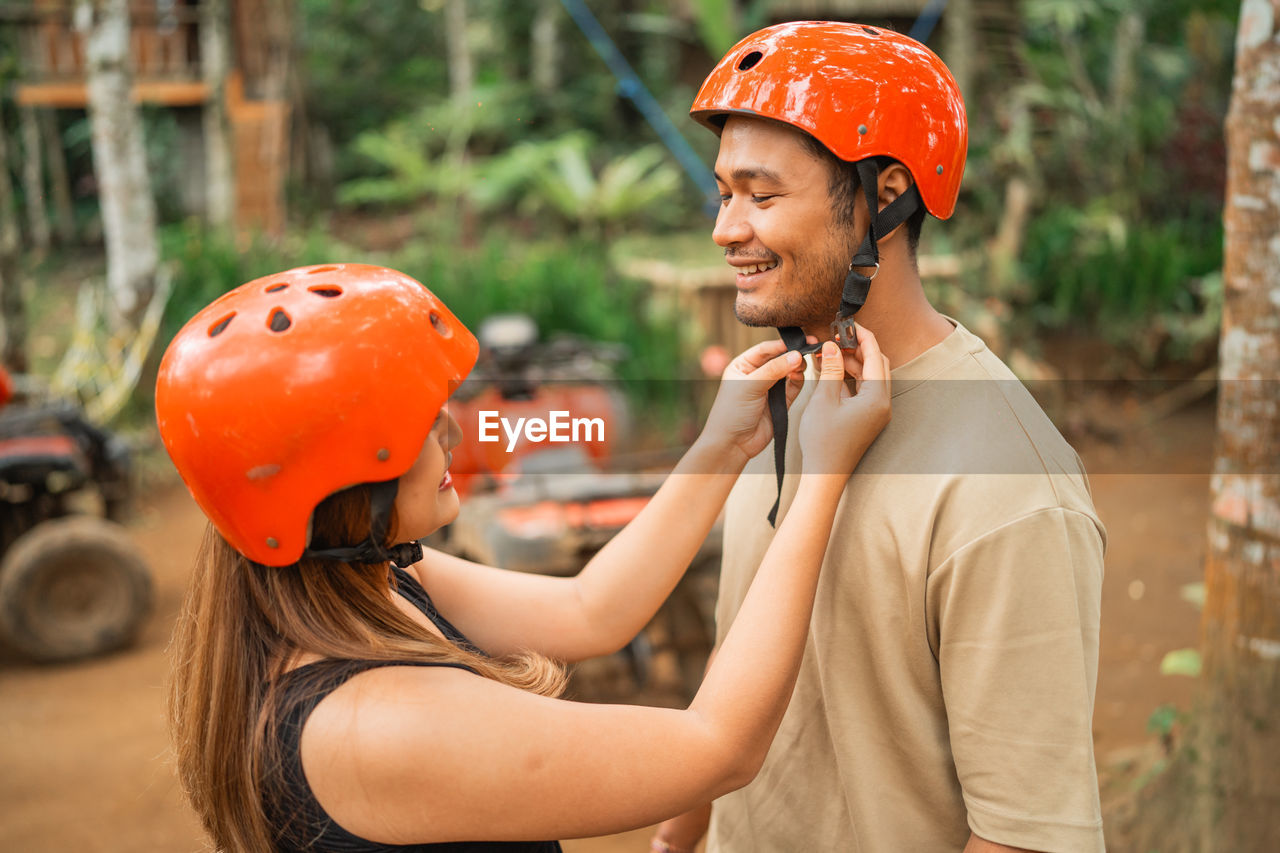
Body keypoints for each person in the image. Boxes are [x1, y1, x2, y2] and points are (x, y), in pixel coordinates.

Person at [157, 262, 891, 852]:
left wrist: (722, 444)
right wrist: (822, 480)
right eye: (417, 418)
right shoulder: (370, 727)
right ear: (339, 479)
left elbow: (590, 608)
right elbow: (720, 747)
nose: (452, 424)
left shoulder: (366, 584)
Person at [649, 21, 1107, 853]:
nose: (724, 229)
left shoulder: (1008, 482)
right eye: (723, 193)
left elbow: (1027, 834)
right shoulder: (778, 403)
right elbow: (737, 658)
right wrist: (673, 841)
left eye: (761, 194)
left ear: (885, 193)